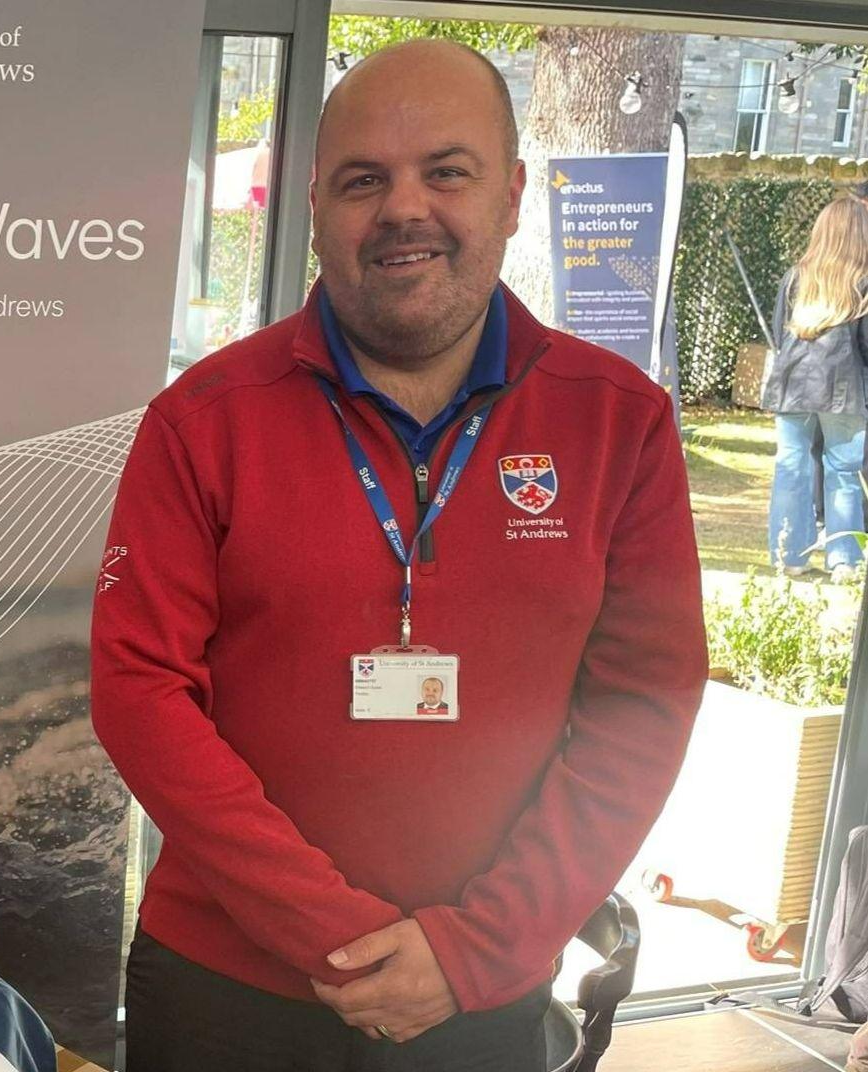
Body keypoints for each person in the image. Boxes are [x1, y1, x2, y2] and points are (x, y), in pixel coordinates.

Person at [91, 39, 705, 1071]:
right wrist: (335, 937)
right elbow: (139, 691)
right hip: (224, 986)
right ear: (317, 207)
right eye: (363, 180)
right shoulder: (202, 422)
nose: (403, 208)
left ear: (511, 195)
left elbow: (642, 704)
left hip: (483, 986)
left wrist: (474, 947)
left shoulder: (617, 424)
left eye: (447, 171)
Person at [764, 196, 868, 578]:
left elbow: (779, 333)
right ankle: (844, 559)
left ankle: (788, 554)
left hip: (792, 385)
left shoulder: (796, 277)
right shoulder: (862, 283)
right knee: (842, 471)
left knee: (790, 469)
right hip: (845, 391)